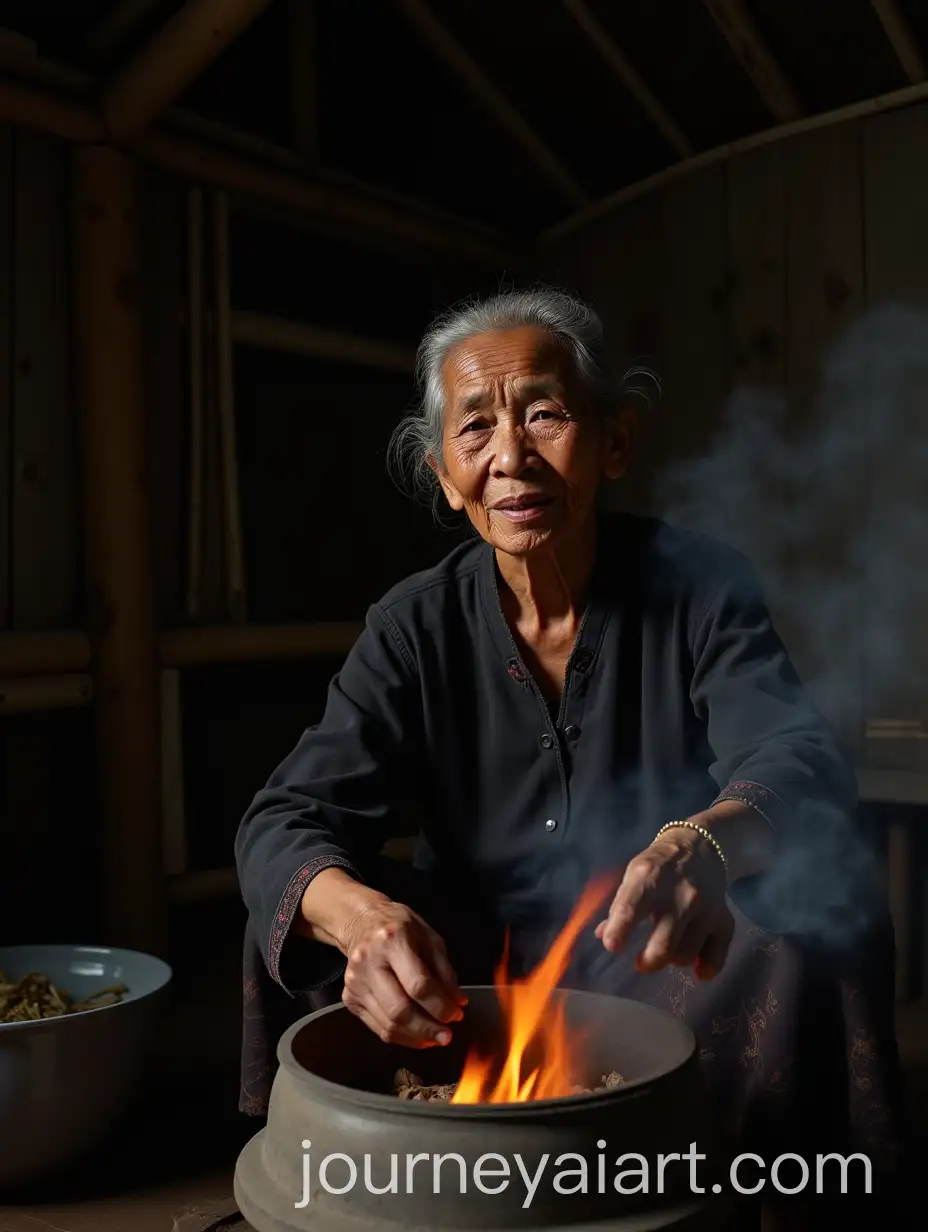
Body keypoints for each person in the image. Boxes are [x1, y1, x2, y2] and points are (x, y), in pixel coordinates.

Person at [235, 287, 906, 1194]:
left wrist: (700, 845)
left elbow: (798, 760)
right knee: (301, 908)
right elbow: (286, 815)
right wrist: (364, 922)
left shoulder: (700, 587)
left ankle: (778, 1189)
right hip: (465, 976)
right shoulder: (411, 627)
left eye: (545, 415)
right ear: (444, 475)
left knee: (818, 907)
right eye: (475, 431)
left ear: (614, 441)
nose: (510, 456)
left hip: (652, 961)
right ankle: (336, 1181)